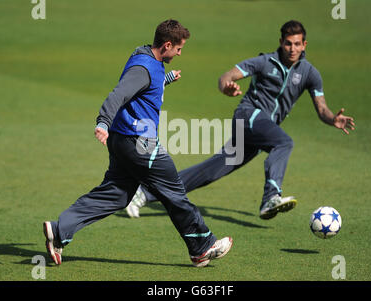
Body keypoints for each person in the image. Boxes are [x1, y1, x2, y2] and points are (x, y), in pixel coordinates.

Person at [43, 19, 233, 268]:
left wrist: (166, 80)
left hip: (122, 142)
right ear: (167, 44)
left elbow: (144, 87)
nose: (179, 53)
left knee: (116, 194)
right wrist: (102, 122)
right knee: (174, 192)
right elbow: (120, 93)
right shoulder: (143, 68)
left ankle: (59, 230)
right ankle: (202, 246)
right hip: (140, 144)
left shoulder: (146, 57)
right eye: (178, 48)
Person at [126, 20, 355, 220]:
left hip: (260, 132)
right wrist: (226, 86)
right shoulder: (264, 62)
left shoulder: (309, 73)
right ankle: (271, 195)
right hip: (248, 116)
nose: (292, 48)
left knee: (210, 172)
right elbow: (226, 76)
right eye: (288, 43)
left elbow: (322, 109)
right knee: (283, 142)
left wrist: (333, 119)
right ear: (281, 42)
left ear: (304, 45)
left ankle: (145, 193)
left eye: (297, 44)